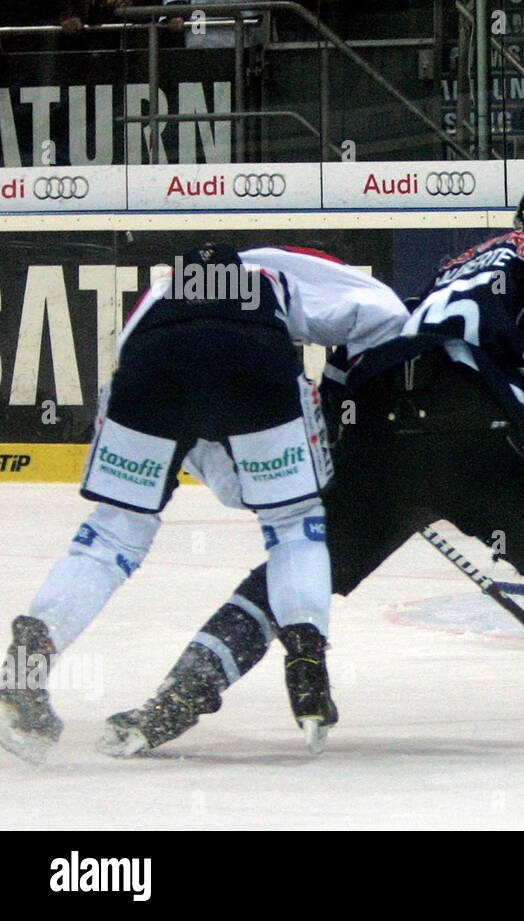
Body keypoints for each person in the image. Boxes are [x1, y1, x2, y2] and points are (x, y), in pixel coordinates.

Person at [98, 178, 524, 757]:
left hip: (378, 429)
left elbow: (359, 351)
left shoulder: (448, 273)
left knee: (289, 573)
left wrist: (358, 460)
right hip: (473, 427)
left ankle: (170, 703)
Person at [0, 244, 410, 763]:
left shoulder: (159, 293)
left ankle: (29, 659)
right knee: (292, 524)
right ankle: (307, 664)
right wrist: (342, 404)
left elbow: (134, 367)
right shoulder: (269, 281)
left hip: (151, 373)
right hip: (256, 368)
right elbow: (384, 318)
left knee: (111, 535)